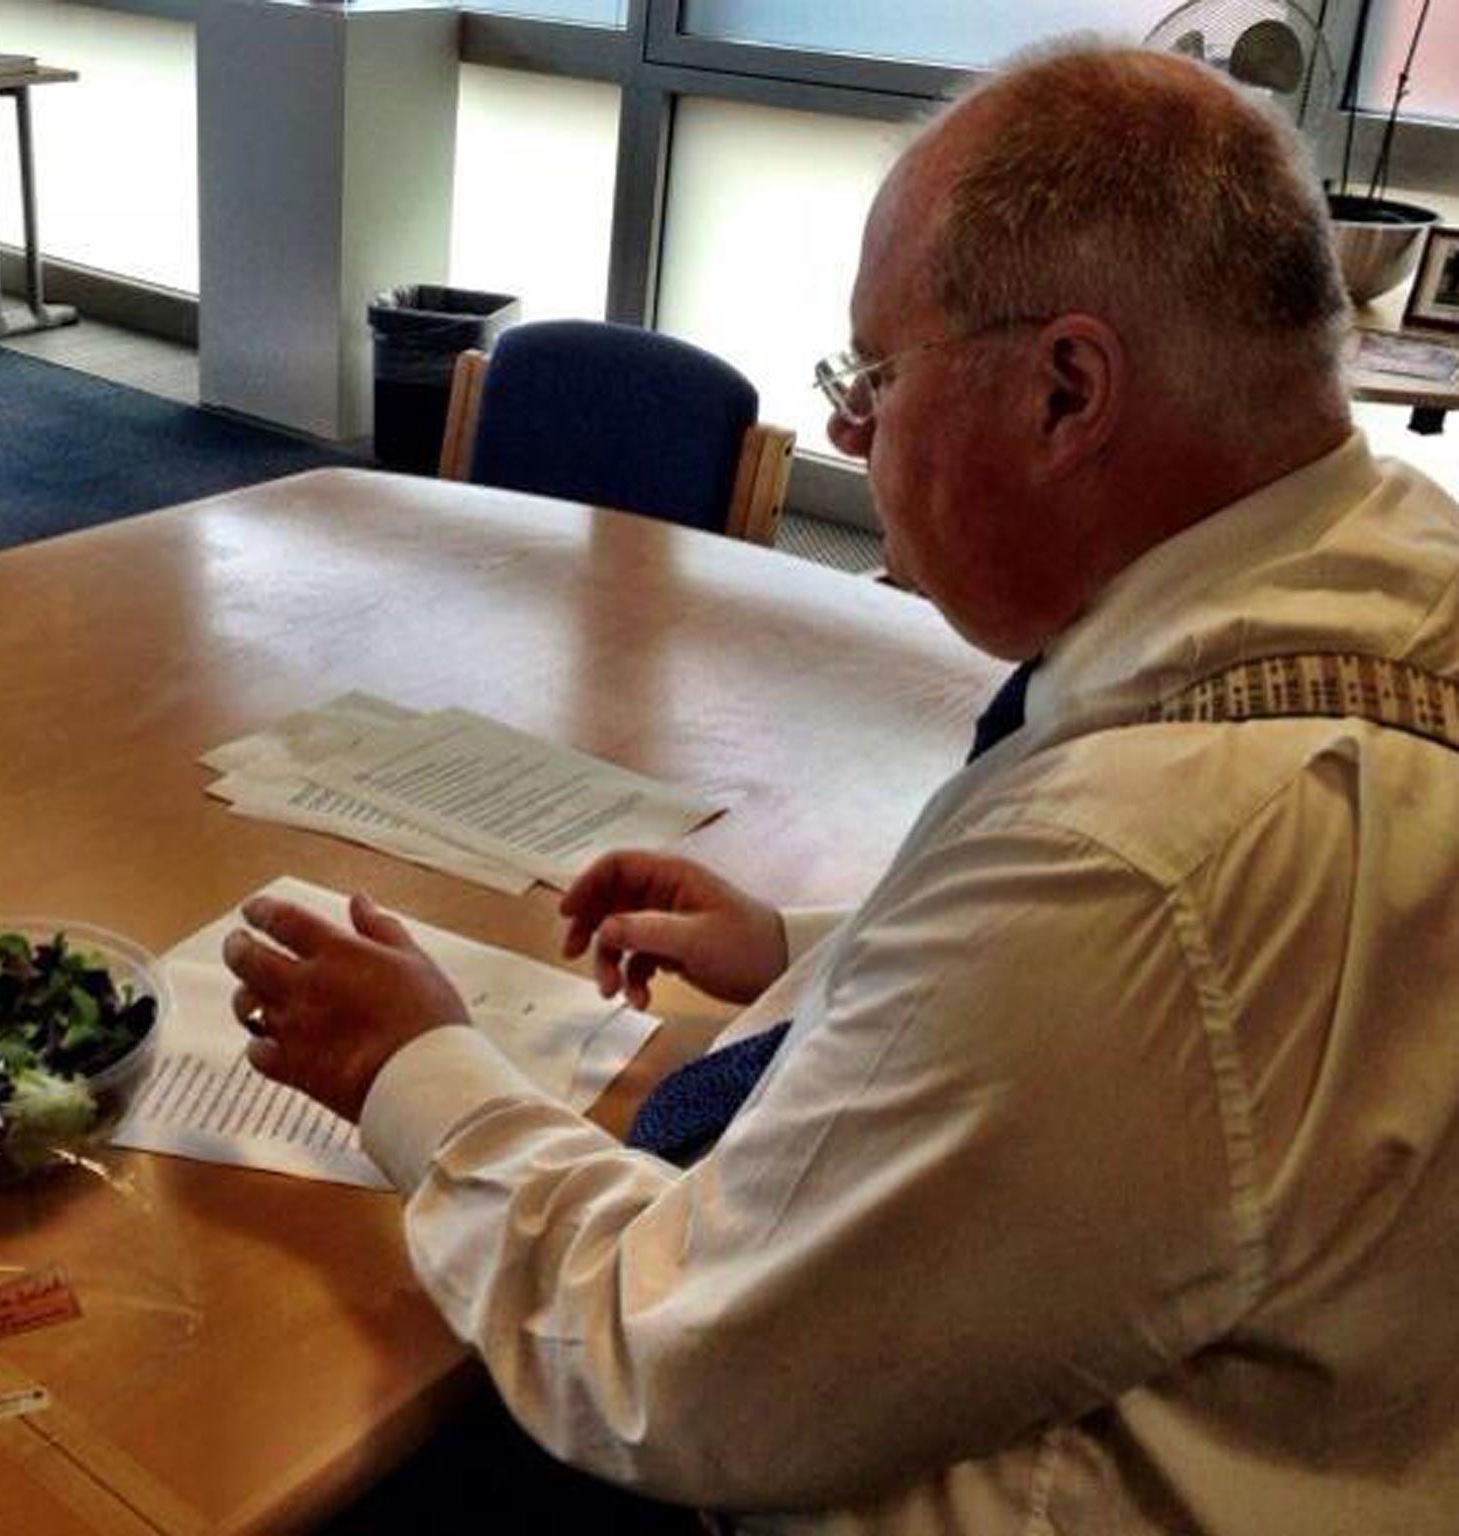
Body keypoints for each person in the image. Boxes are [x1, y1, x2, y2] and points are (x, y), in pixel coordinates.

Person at [224, 41, 1459, 1535]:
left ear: (1069, 390)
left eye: (874, 375)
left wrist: (409, 1067)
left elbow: (661, 1366)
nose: (848, 435)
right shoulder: (1388, 579)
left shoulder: (1135, 870)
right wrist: (811, 952)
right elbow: (1165, 1049)